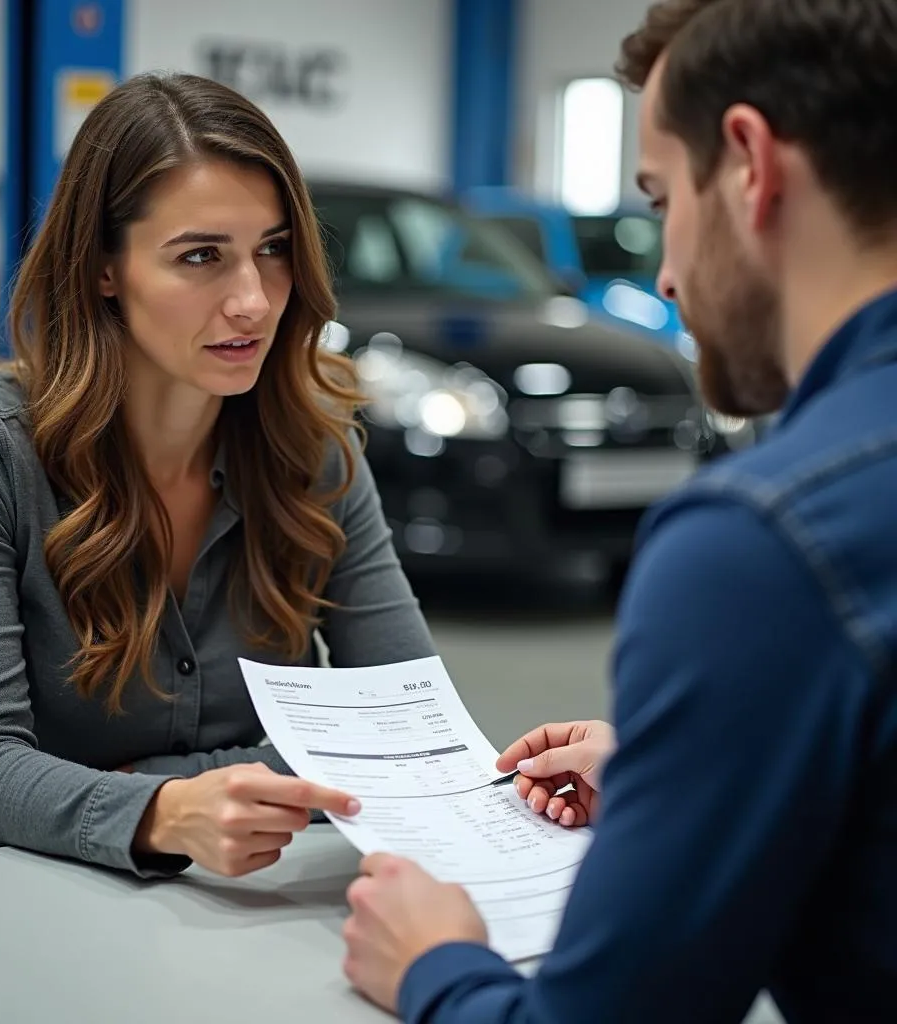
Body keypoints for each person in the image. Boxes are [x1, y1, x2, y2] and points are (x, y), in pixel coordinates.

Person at [342, 1, 897, 1020]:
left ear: (747, 165)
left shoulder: (761, 542)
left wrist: (434, 961)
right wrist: (693, 763)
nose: (667, 275)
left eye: (659, 201)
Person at [0, 72, 437, 878]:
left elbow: (406, 732)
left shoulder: (315, 449)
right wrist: (165, 814)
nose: (254, 301)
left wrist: (150, 791)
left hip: (230, 903)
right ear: (103, 269)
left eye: (273, 250)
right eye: (200, 257)